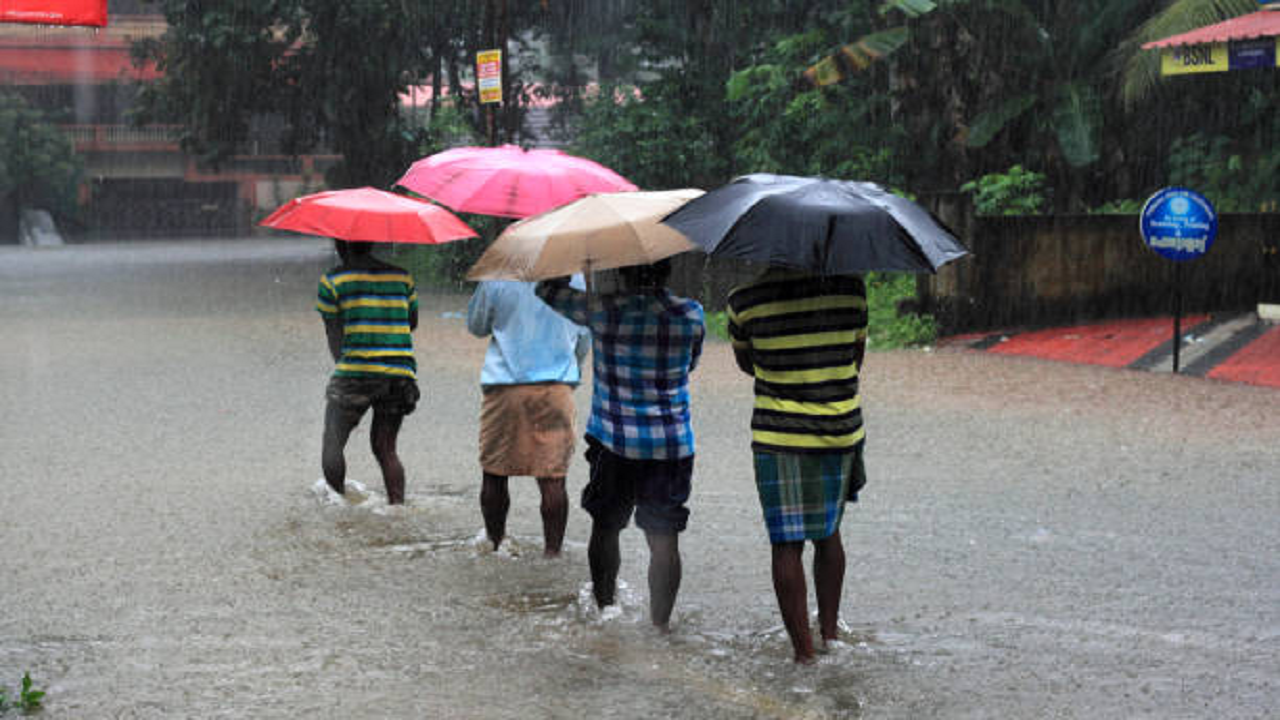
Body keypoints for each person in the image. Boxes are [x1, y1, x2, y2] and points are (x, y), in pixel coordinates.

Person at [536, 260, 704, 630]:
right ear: (667, 271)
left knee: (606, 525)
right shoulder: (691, 314)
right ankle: (660, 625)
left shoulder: (602, 309)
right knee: (664, 537)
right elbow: (689, 364)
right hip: (670, 444)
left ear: (624, 273)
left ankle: (605, 608)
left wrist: (568, 255)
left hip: (614, 442)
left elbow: (547, 290)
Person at [726, 266, 869, 664]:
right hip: (838, 429)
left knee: (786, 542)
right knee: (829, 532)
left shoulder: (744, 300)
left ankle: (804, 655)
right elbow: (855, 358)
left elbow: (746, 364)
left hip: (780, 435)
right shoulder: (850, 289)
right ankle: (830, 635)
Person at [466, 277, 591, 557]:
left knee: (495, 472)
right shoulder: (579, 282)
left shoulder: (497, 278)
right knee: (553, 477)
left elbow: (476, 326)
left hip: (504, 388)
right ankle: (552, 554)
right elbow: (584, 339)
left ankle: (495, 545)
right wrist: (573, 373)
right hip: (557, 388)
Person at [316, 240, 420, 505]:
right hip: (399, 375)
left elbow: (333, 332)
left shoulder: (333, 281)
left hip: (355, 372)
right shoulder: (402, 277)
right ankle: (397, 508)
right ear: (372, 242)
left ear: (341, 245)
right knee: (386, 449)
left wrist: (345, 367)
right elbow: (411, 322)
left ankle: (337, 505)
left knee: (333, 442)